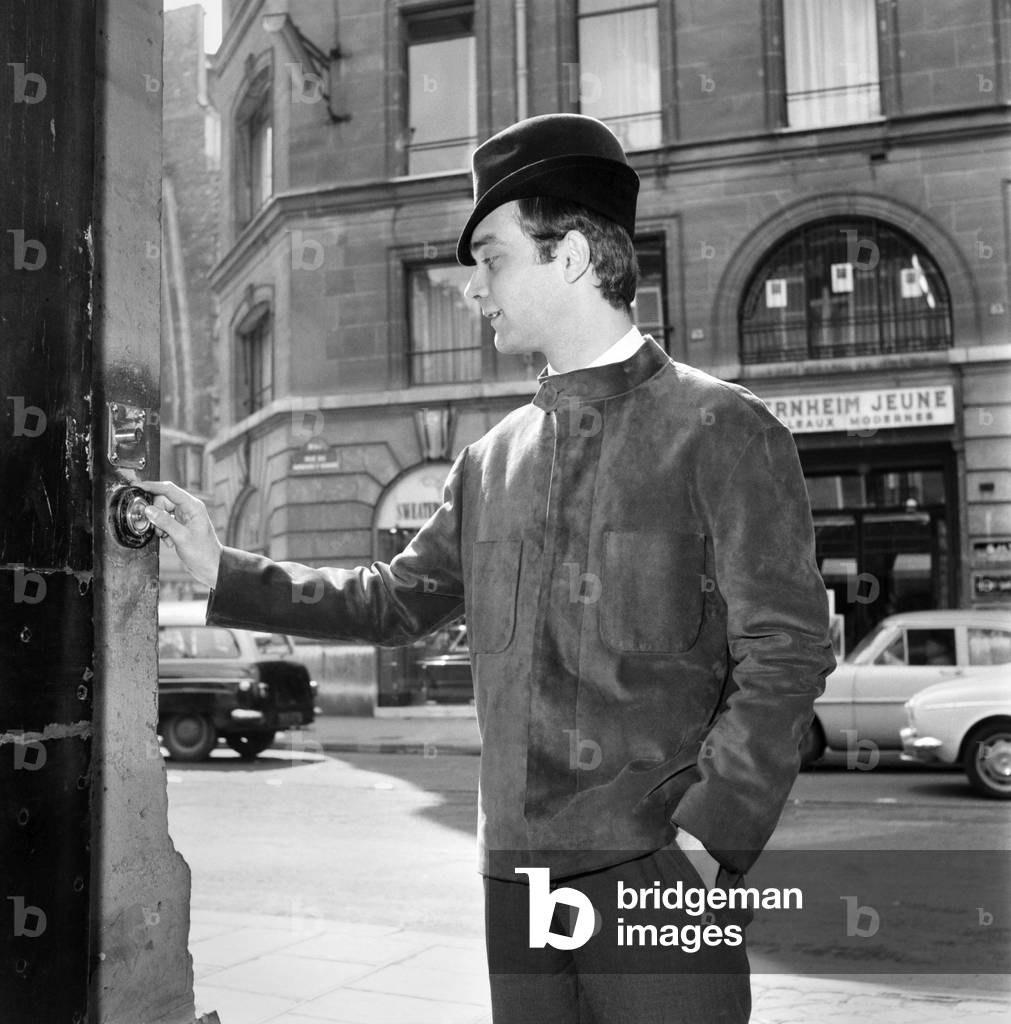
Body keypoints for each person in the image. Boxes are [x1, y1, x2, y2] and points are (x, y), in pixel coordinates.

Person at [142, 113, 835, 1023]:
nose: (475, 290)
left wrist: (708, 848)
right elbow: (390, 601)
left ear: (575, 257)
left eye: (495, 259)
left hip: (657, 877)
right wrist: (219, 565)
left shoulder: (723, 429)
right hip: (513, 882)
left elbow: (785, 653)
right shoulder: (490, 458)